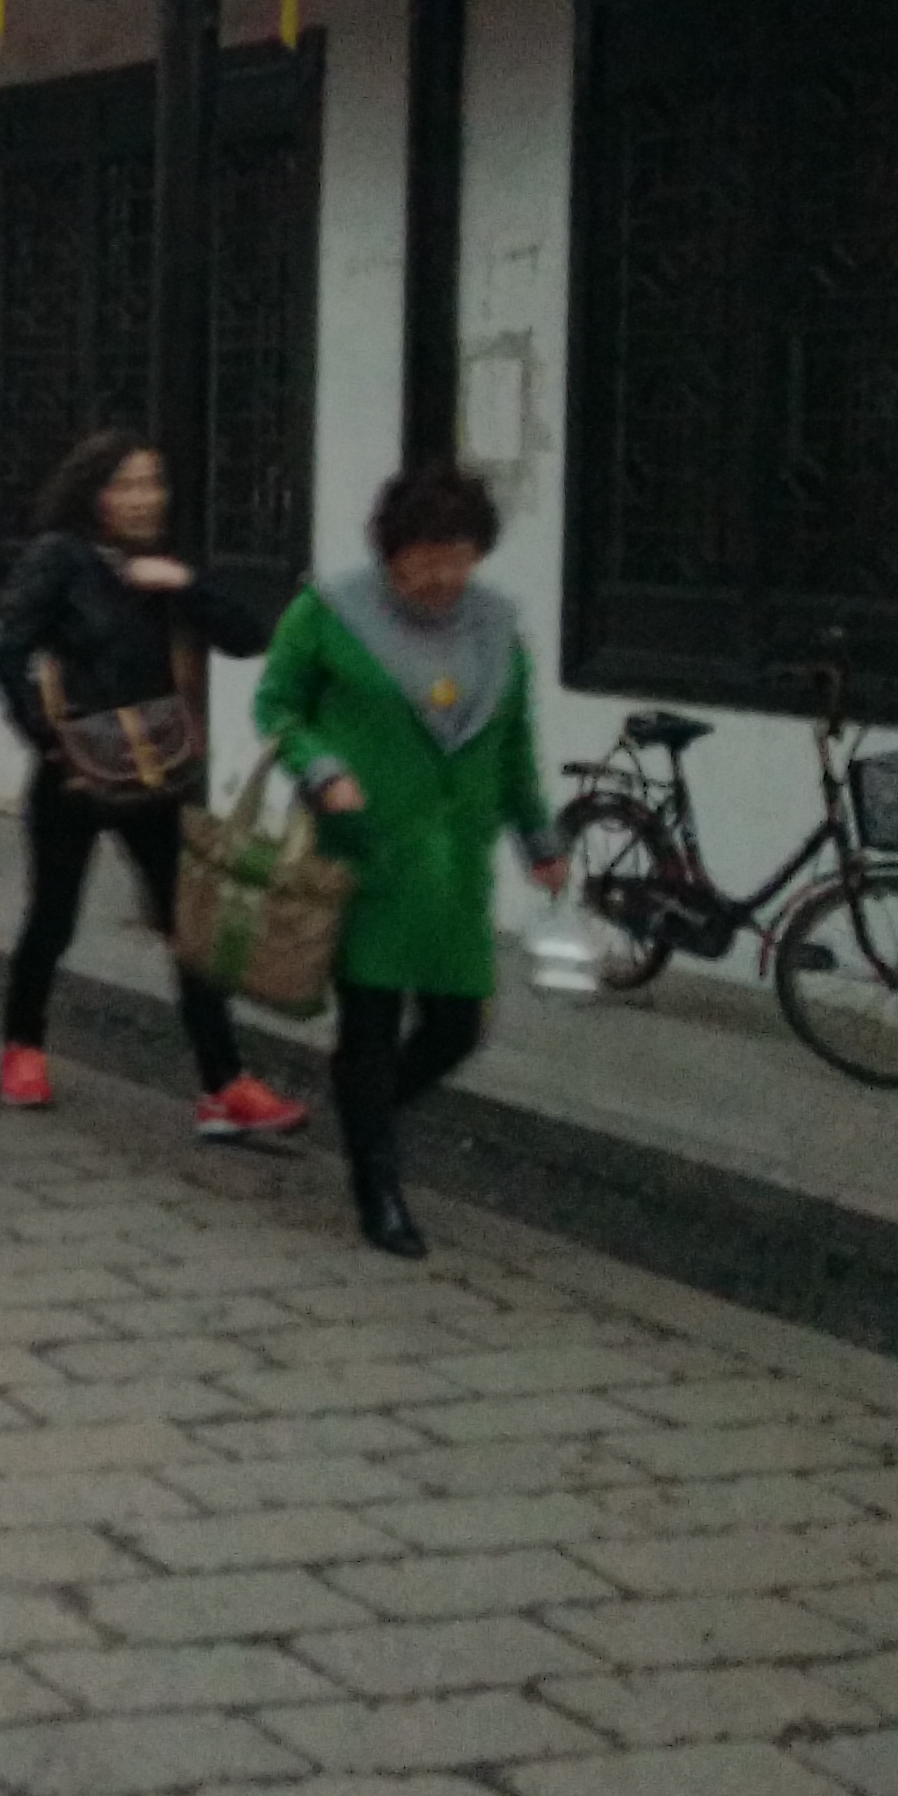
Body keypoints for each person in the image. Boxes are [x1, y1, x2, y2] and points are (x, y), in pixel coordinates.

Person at [257, 461, 565, 1260]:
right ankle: (378, 1188)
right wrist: (322, 770)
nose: (442, 574)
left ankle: (367, 1113)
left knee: (458, 1025)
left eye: (460, 554)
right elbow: (277, 706)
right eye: (425, 555)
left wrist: (539, 839)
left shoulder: (497, 628)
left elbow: (514, 747)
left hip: (456, 865)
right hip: (366, 854)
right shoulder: (331, 612)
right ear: (392, 549)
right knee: (369, 1019)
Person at [0, 430, 309, 1144]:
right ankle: (22, 1050)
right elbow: (7, 653)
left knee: (190, 930)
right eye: (126, 485)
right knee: (54, 917)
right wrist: (49, 741)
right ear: (94, 493)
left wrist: (184, 584)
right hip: (77, 772)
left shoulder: (166, 564)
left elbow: (250, 637)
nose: (142, 499)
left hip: (160, 774)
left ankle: (224, 1087)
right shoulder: (59, 558)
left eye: (152, 484)